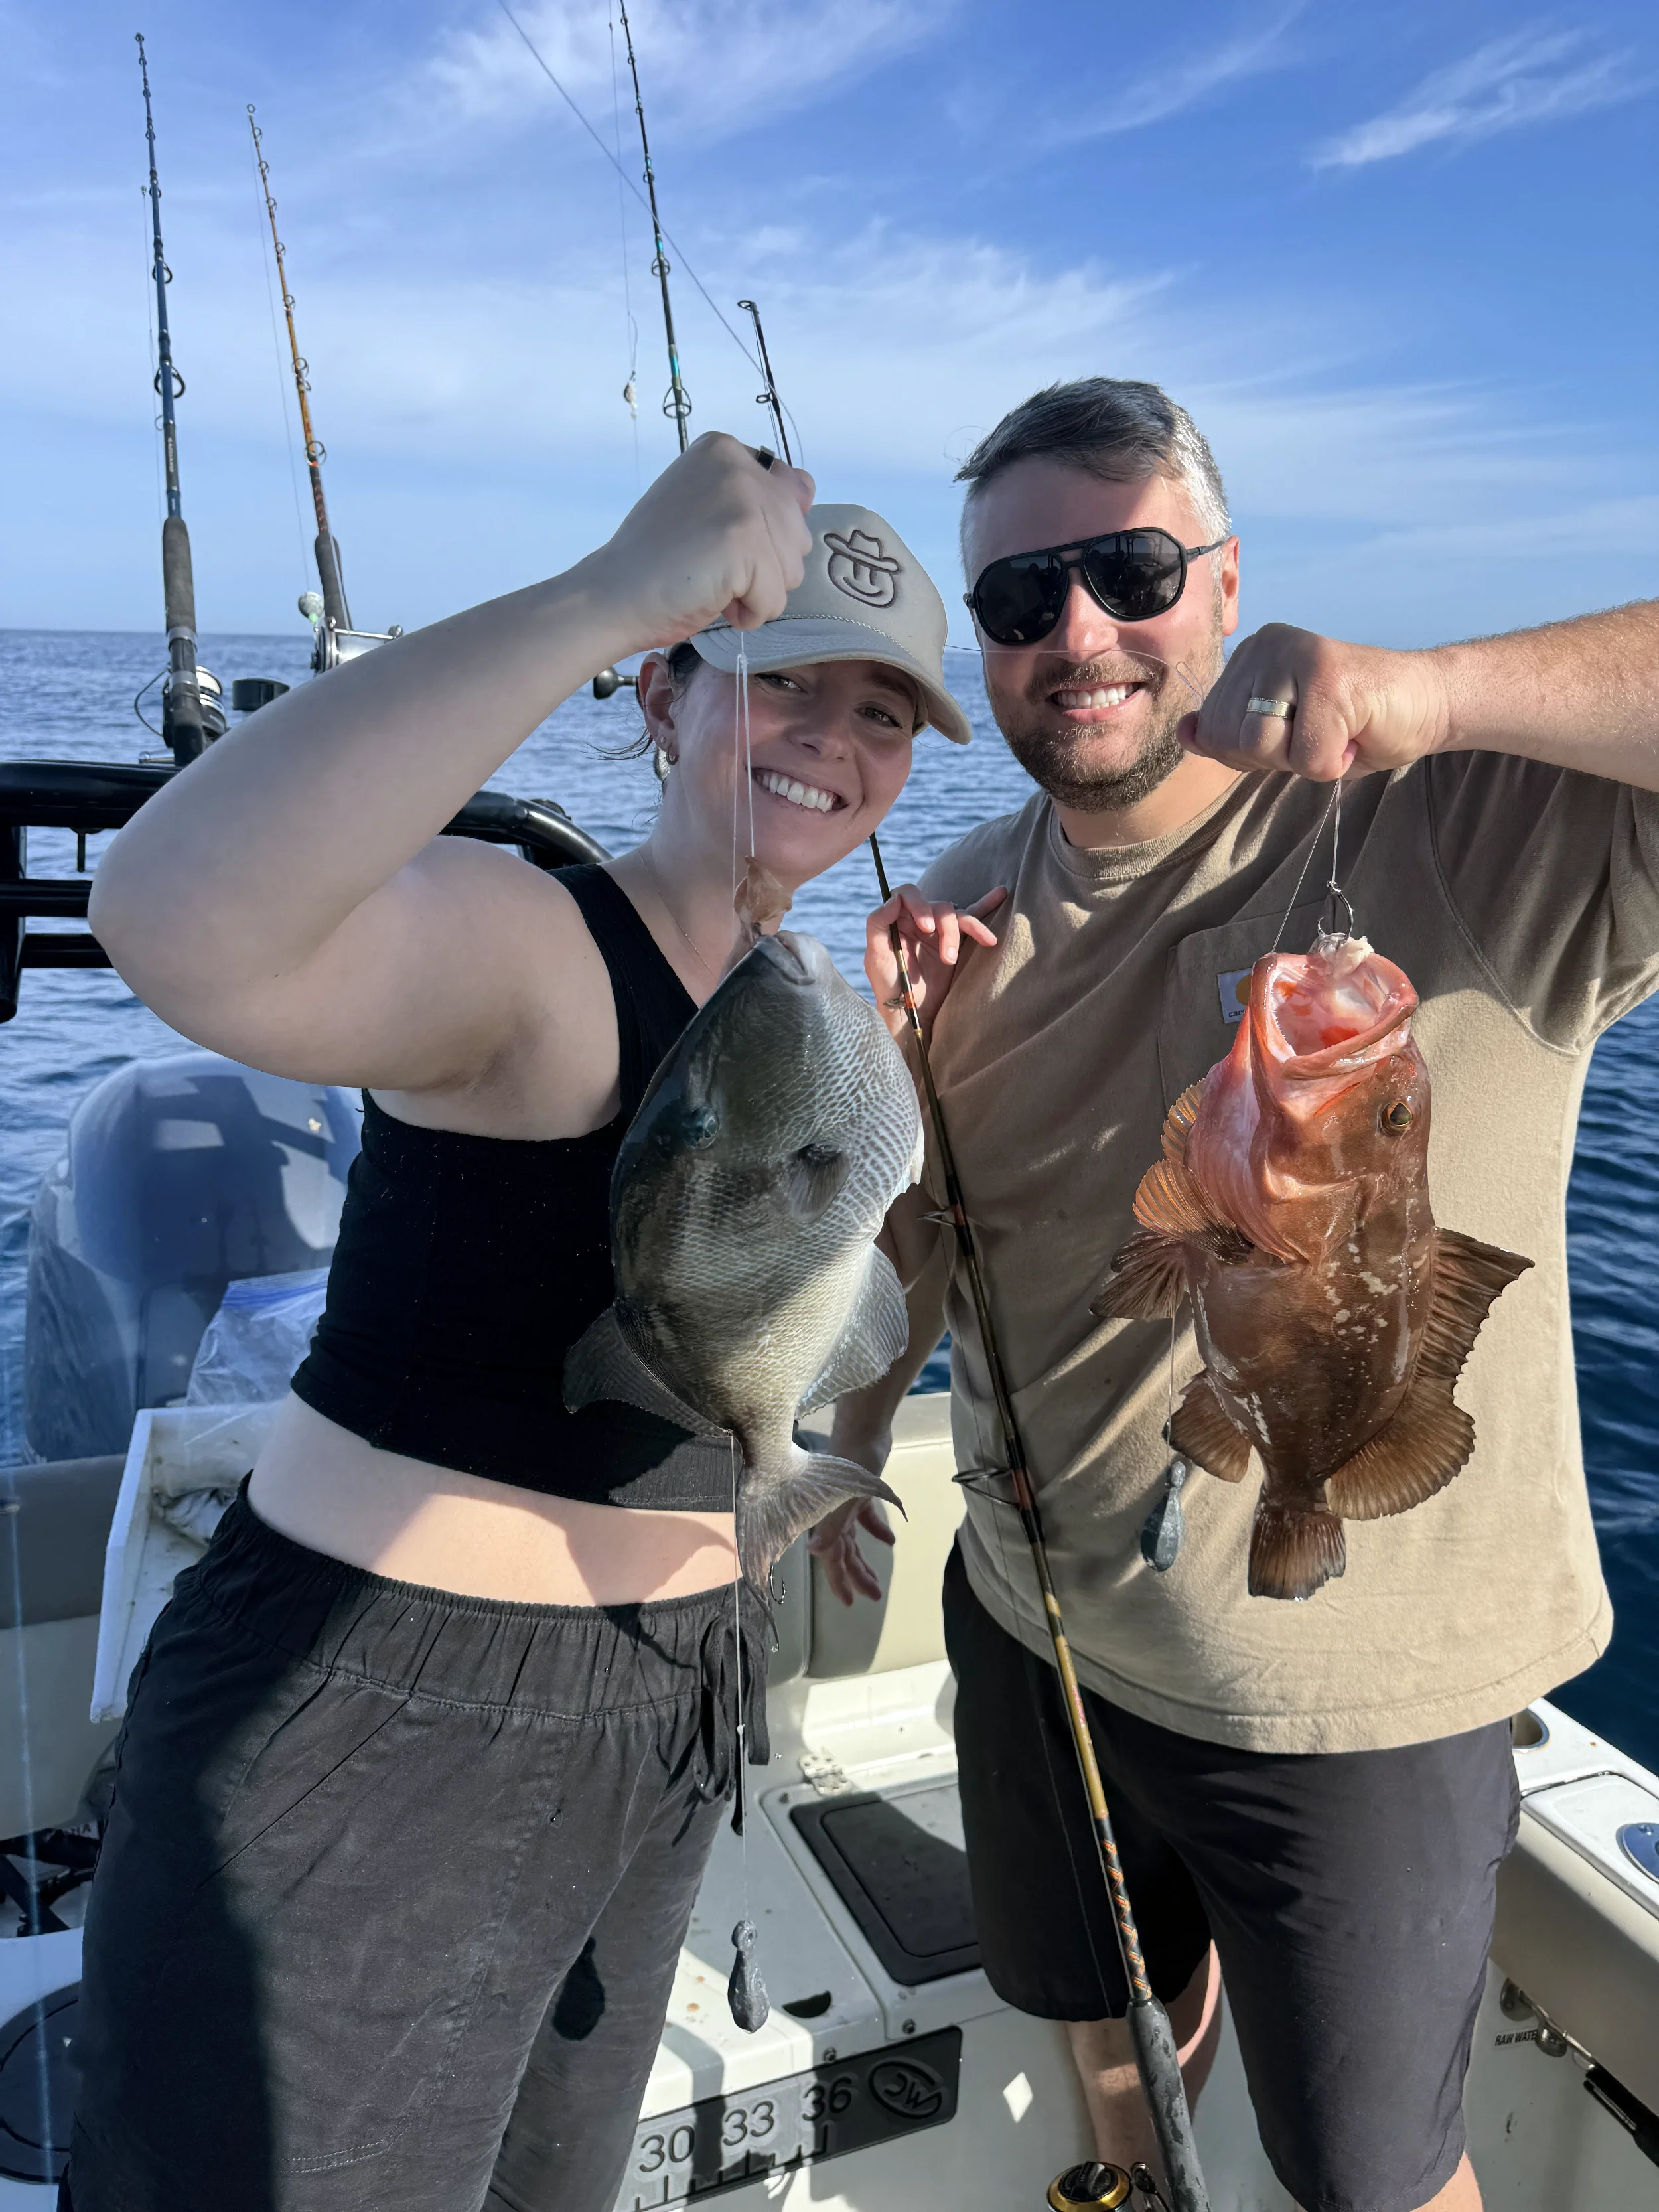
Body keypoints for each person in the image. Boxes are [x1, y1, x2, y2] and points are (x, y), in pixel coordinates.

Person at [66, 432, 982, 2212]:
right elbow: (170, 914)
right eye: (782, 679)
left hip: (666, 1714)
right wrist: (595, 592)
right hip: (387, 1718)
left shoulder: (805, 1009)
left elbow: (862, 1323)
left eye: (881, 716)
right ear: (662, 689)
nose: (832, 741)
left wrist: (915, 1105)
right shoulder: (536, 943)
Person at [812, 376, 1659, 2212]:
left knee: (1375, 2174)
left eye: (1127, 568)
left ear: (1224, 580)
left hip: (1348, 1715)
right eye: (1018, 601)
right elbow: (926, 1247)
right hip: (1032, 1633)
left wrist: (1429, 690)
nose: (1078, 634)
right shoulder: (960, 906)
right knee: (1107, 2031)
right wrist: (854, 1421)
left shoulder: (1461, 831)